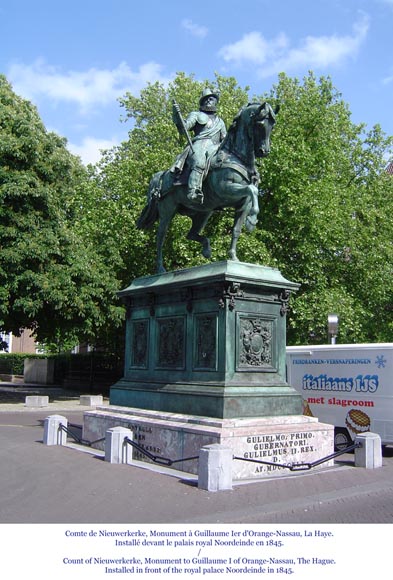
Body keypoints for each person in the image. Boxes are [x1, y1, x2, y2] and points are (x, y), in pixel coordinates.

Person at [171, 89, 227, 202]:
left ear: (216, 101)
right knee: (199, 162)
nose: (208, 101)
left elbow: (224, 138)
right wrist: (178, 117)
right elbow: (185, 128)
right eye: (205, 99)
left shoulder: (220, 122)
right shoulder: (196, 115)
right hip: (199, 144)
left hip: (216, 147)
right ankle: (193, 191)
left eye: (211, 99)